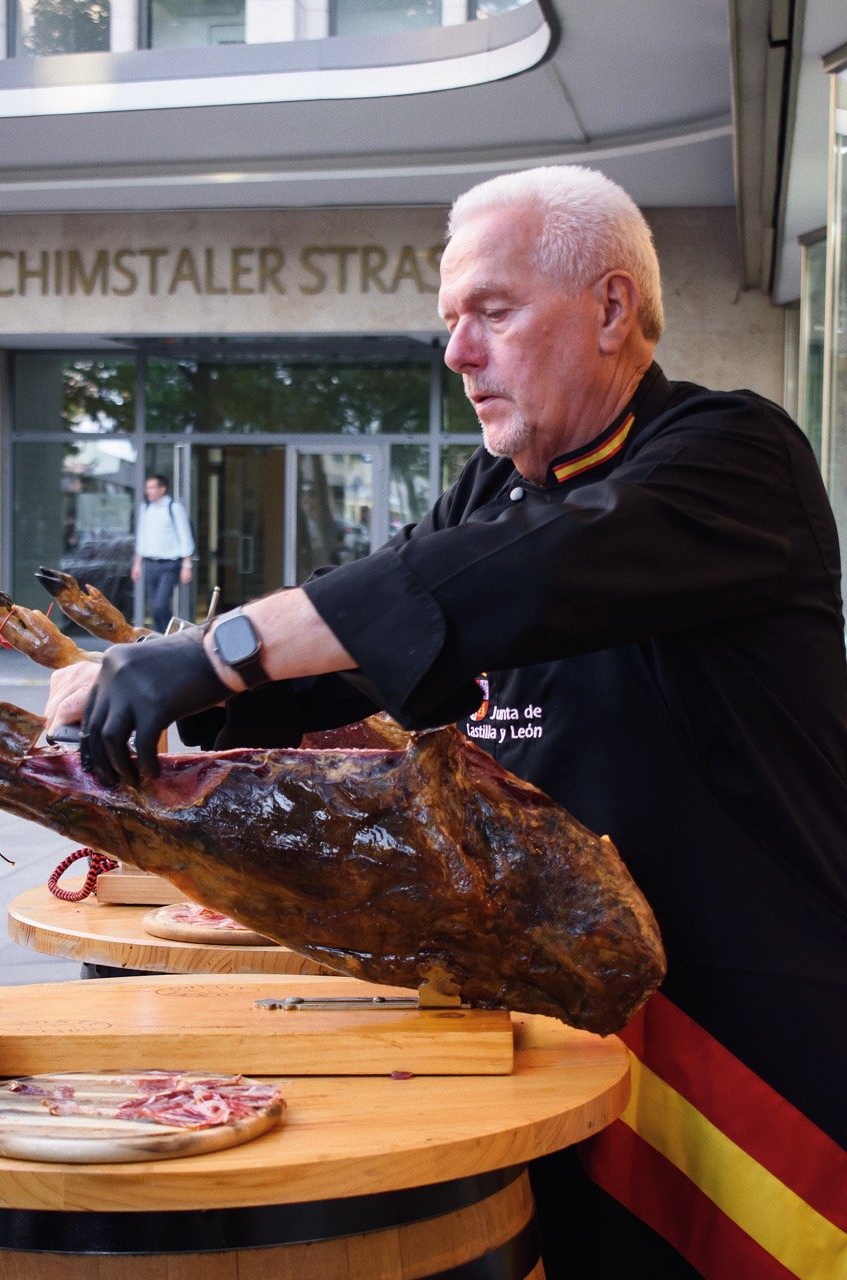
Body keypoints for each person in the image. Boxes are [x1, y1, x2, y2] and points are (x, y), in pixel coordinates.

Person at [45, 166, 847, 1279]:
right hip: (562, 1019)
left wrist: (216, 650)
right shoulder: (492, 486)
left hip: (736, 1042)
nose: (457, 353)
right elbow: (371, 623)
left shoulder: (733, 455)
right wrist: (171, 691)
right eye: (450, 321)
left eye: (492, 311)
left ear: (612, 308)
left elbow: (505, 579)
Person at [131, 474, 195, 632]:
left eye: (152, 487)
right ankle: (161, 638)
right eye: (147, 488)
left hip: (170, 564)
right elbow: (142, 537)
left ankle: (171, 636)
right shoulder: (146, 508)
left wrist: (187, 565)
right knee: (154, 608)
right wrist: (137, 564)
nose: (148, 491)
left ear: (162, 489)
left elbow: (185, 536)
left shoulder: (173, 507)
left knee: (161, 605)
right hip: (150, 563)